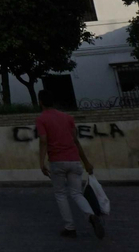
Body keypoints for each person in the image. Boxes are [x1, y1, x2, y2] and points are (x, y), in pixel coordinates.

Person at [36, 89, 104, 239]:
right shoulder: (68, 118)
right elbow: (76, 140)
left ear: (40, 102)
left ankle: (70, 227)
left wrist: (41, 162)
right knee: (77, 193)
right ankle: (91, 215)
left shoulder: (41, 119)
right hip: (74, 159)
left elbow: (43, 140)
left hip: (57, 161)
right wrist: (86, 162)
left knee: (61, 194)